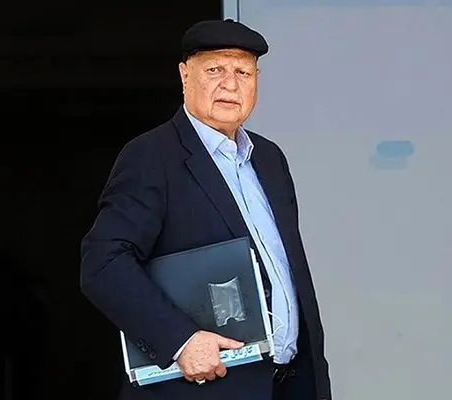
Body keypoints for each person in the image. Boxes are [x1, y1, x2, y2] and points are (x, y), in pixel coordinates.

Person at [80, 19, 331, 400]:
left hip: (287, 385)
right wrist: (180, 340)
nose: (230, 84)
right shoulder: (152, 156)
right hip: (201, 389)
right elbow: (103, 263)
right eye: (215, 70)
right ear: (185, 76)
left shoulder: (269, 158)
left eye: (243, 72)